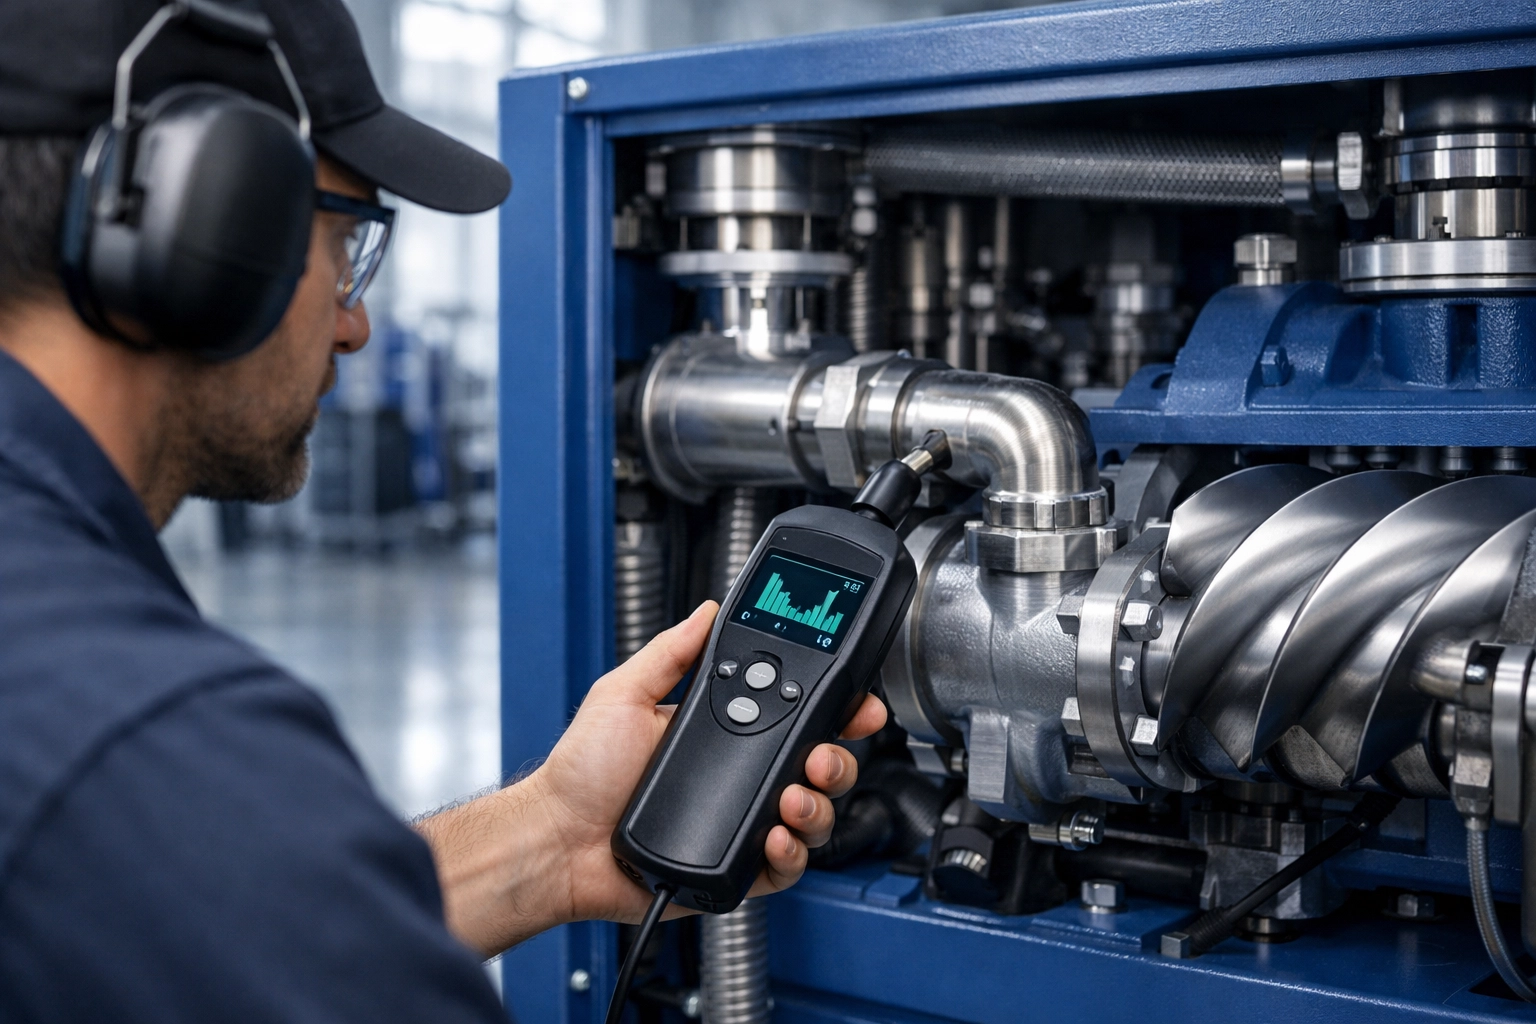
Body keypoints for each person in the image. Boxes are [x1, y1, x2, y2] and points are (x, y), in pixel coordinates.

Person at [0, 0, 886, 1019]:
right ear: (204, 219)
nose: (356, 324)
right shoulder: (145, 744)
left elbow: (187, 939)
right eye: (347, 246)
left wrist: (551, 835)